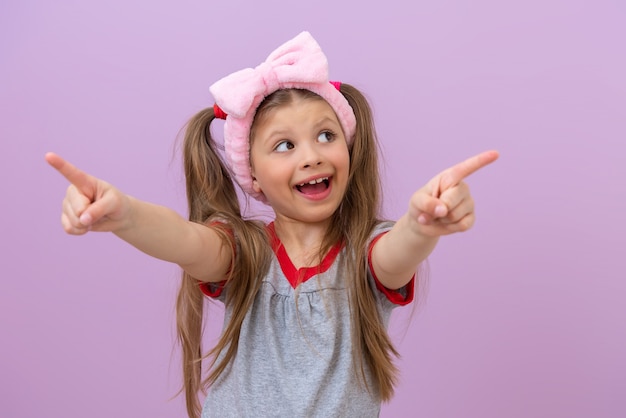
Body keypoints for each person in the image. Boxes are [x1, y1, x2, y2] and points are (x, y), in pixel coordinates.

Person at [46, 32, 498, 418]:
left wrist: (422, 225)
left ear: (348, 148)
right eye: (284, 145)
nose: (311, 155)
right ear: (254, 177)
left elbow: (398, 252)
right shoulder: (243, 253)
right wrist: (125, 215)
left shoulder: (368, 250)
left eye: (326, 135)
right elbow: (185, 240)